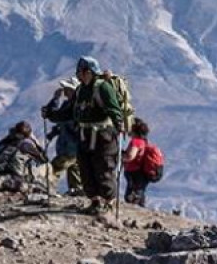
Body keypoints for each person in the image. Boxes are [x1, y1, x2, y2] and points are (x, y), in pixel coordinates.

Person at [42, 56, 121, 215]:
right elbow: (69, 113)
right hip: (84, 135)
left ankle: (108, 204)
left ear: (89, 72)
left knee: (103, 168)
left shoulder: (103, 88)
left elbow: (114, 110)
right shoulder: (80, 90)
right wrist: (50, 114)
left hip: (103, 136)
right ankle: (95, 201)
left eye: (81, 72)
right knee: (86, 169)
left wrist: (118, 128)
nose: (79, 75)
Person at [44, 78, 84, 195]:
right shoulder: (70, 104)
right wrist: (54, 132)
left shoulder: (74, 107)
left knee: (54, 168)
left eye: (67, 89)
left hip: (70, 147)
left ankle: (47, 189)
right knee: (74, 170)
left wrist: (55, 100)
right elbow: (61, 122)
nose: (65, 91)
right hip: (73, 147)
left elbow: (55, 116)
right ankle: (77, 192)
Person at [0, 121, 47, 191]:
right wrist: (35, 141)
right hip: (16, 175)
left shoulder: (4, 141)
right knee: (47, 166)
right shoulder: (25, 144)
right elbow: (43, 159)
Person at [122, 119, 152, 207]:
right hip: (141, 173)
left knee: (131, 196)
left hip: (134, 172)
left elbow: (130, 156)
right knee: (139, 193)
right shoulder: (143, 142)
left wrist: (122, 157)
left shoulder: (136, 142)